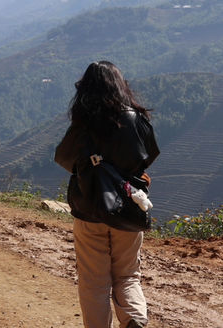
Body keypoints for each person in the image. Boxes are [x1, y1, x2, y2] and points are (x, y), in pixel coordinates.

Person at [55, 61, 159, 328]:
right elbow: (149, 156)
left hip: (90, 209)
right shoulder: (136, 119)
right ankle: (134, 319)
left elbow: (64, 158)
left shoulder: (83, 123)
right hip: (129, 206)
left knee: (94, 282)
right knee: (127, 276)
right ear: (120, 84)